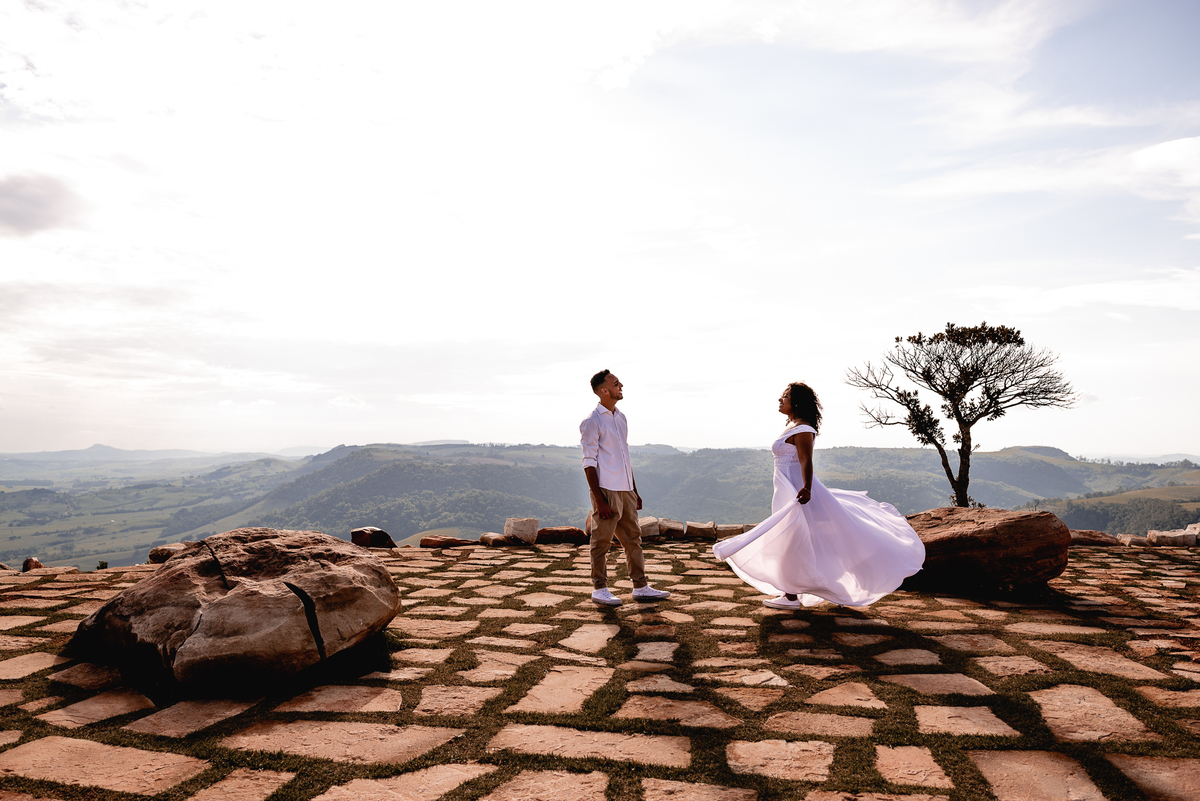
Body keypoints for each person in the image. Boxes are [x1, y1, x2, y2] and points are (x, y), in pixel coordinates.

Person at [713, 382, 924, 609]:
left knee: (792, 540)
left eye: (785, 396)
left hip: (797, 491)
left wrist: (807, 488)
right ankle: (809, 592)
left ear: (796, 403)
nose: (780, 400)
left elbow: (806, 460)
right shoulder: (794, 426)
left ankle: (792, 596)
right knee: (798, 540)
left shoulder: (803, 429)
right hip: (785, 488)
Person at [580, 370, 670, 606]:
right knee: (601, 541)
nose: (621, 386)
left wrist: (634, 490)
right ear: (604, 390)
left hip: (626, 490)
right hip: (606, 491)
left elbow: (624, 457)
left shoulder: (621, 418)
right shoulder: (592, 421)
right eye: (616, 383)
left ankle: (640, 586)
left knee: (633, 540)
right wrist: (599, 500)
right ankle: (599, 588)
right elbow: (588, 463)